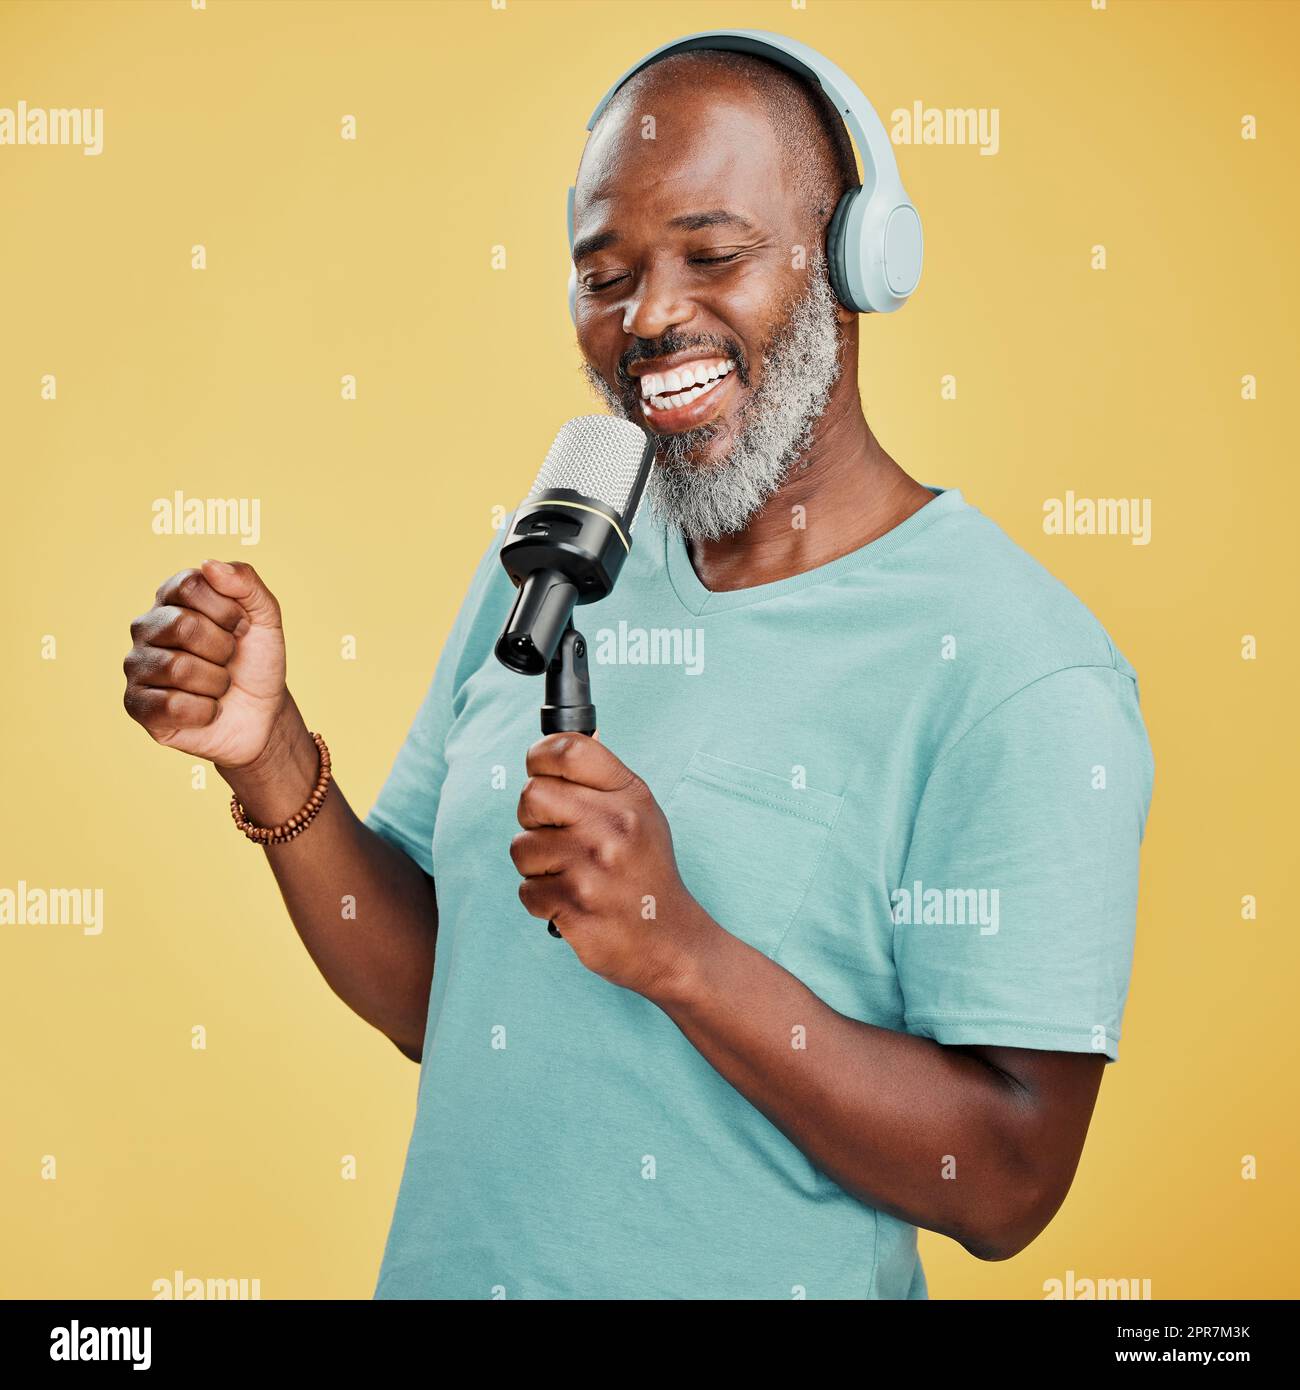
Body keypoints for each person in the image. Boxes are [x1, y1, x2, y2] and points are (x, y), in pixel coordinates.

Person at [122, 41, 1154, 1299]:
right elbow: (437, 994)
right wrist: (269, 749)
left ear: (852, 260)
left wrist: (681, 950)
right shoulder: (555, 561)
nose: (650, 317)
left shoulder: (1016, 664)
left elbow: (1007, 1181)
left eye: (712, 256)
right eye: (605, 274)